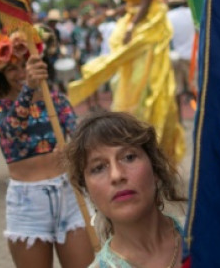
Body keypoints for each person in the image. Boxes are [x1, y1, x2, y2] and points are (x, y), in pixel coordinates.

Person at [0, 31, 94, 268]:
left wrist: (72, 150)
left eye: (25, 65)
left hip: (70, 195)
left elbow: (81, 135)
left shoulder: (55, 100)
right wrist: (29, 88)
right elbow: (11, 131)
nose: (21, 74)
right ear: (0, 74)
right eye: (11, 69)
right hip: (27, 203)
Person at [68, 0, 186, 164]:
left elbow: (144, 5)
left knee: (146, 82)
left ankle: (152, 135)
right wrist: (110, 13)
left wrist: (132, 26)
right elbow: (130, 4)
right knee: (127, 80)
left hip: (146, 30)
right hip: (132, 25)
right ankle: (132, 130)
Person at [65, 111, 187, 268]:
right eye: (98, 168)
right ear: (87, 191)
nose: (116, 175)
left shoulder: (205, 235)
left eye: (128, 157)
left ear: (155, 168)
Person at [165, 0, 196, 121]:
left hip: (175, 56)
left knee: (176, 90)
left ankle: (179, 120)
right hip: (193, 55)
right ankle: (198, 116)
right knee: (195, 88)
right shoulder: (191, 14)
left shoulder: (168, 17)